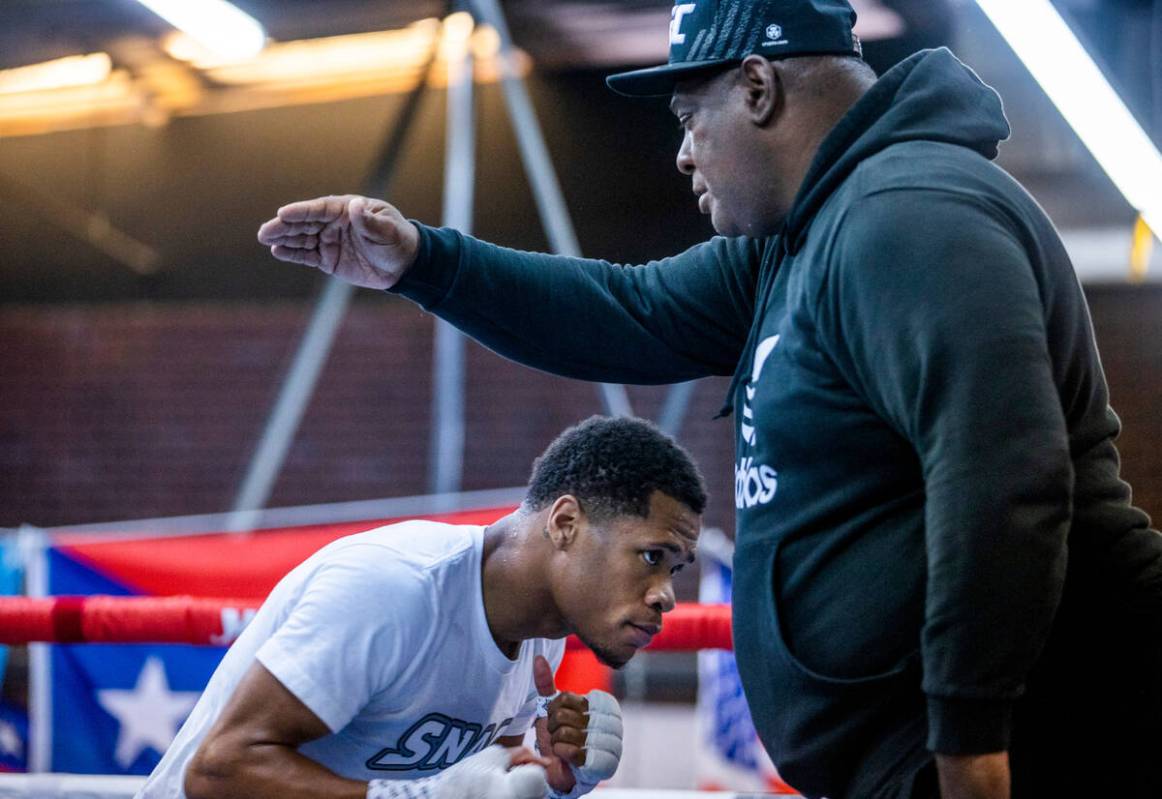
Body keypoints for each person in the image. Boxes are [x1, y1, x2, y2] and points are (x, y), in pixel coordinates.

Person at [257, 1, 1162, 796]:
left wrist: (970, 746)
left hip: (1037, 745)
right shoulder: (794, 244)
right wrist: (425, 260)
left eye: (692, 117)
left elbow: (1006, 483)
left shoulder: (909, 217)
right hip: (925, 756)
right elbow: (625, 311)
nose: (684, 153)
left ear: (759, 88)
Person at [137, 415, 706, 799]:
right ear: (564, 523)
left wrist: (554, 782)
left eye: (674, 566)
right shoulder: (394, 586)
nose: (666, 594)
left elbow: (480, 784)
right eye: (651, 555)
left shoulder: (540, 635)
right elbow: (218, 769)